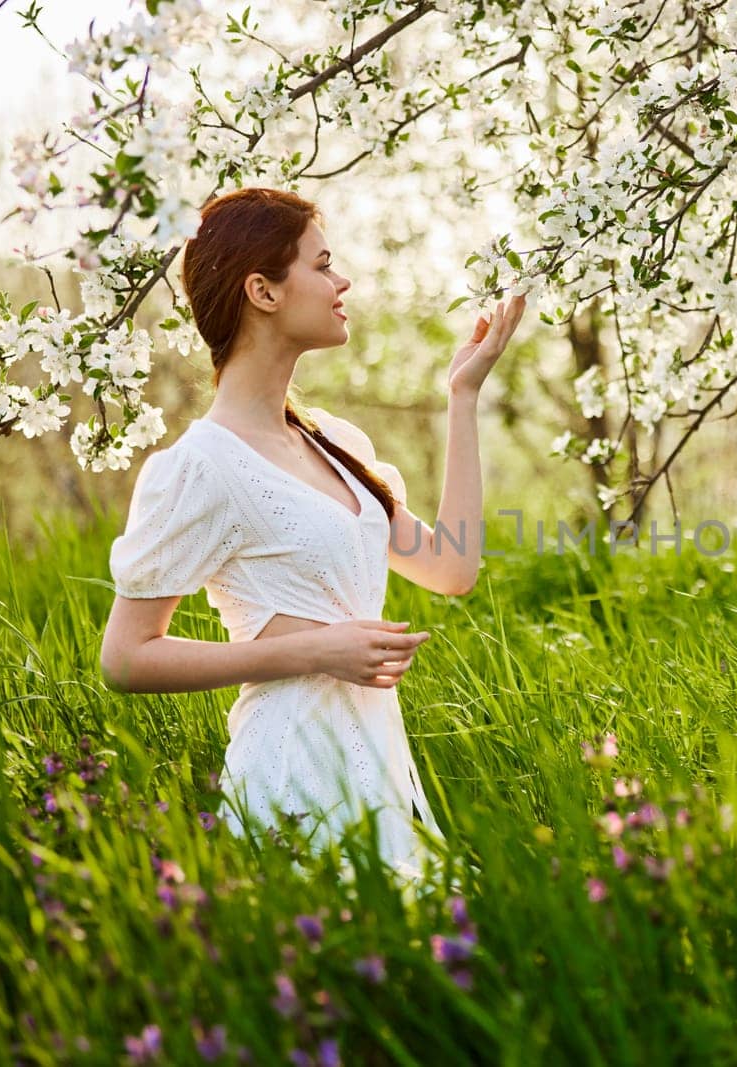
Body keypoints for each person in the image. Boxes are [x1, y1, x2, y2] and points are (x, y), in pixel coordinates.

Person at [98, 187, 526, 893]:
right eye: (322, 264)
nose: (342, 281)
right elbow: (125, 657)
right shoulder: (201, 466)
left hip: (381, 766)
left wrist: (463, 396)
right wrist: (313, 650)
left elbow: (451, 567)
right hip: (291, 769)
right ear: (262, 290)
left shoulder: (337, 445)